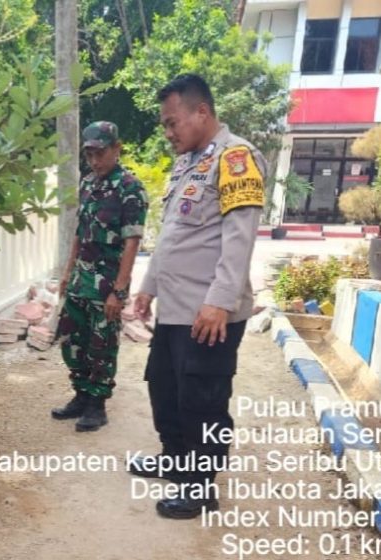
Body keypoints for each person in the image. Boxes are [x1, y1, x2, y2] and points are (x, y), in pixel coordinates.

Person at [129, 74, 266, 519]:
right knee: (165, 389)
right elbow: (171, 236)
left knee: (202, 401)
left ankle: (200, 485)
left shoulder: (236, 157)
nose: (168, 133)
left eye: (173, 123)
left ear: (201, 113)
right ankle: (174, 461)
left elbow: (239, 236)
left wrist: (219, 301)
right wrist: (148, 288)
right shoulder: (188, 163)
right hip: (175, 309)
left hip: (210, 313)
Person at [51, 121, 148, 432]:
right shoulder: (88, 183)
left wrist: (119, 290)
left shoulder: (130, 187)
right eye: (89, 154)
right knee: (72, 339)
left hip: (107, 282)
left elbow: (132, 241)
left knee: (101, 345)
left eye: (100, 153)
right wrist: (67, 272)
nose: (94, 160)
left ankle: (97, 404)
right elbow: (80, 232)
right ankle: (80, 395)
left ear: (116, 149)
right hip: (81, 279)